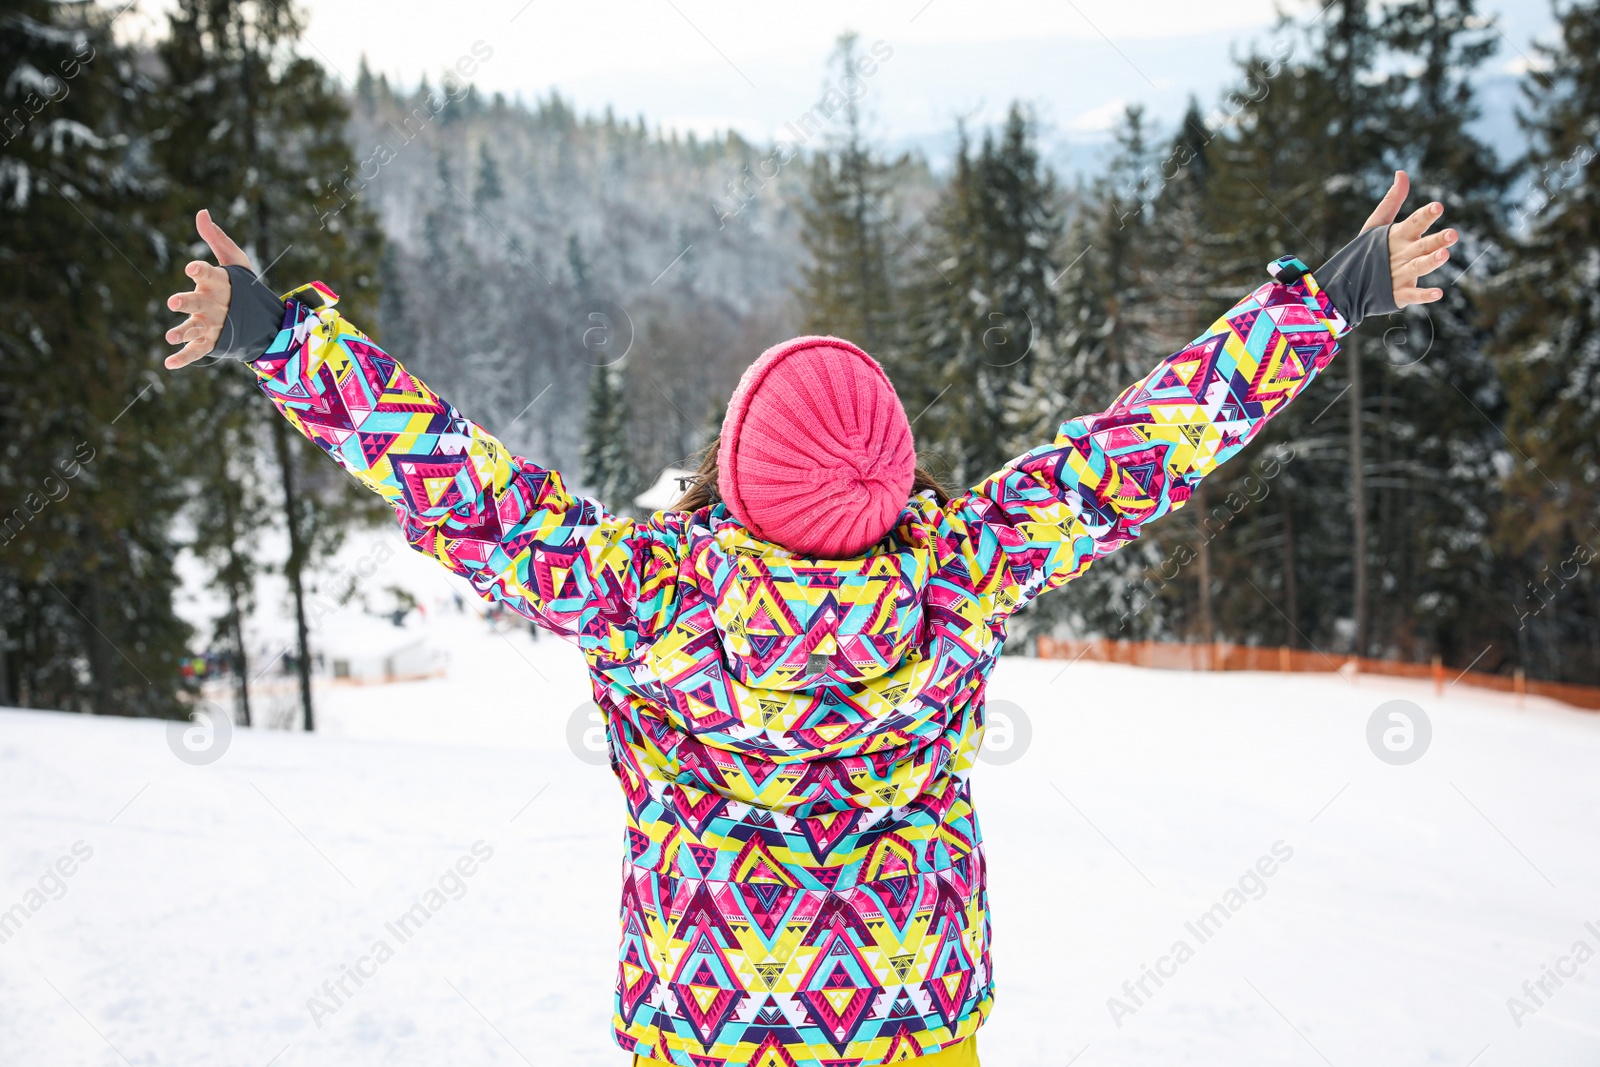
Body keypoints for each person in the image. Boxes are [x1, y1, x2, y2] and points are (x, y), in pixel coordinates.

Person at [163, 172, 1454, 1066]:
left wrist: (281, 337)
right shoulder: (965, 569)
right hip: (913, 1018)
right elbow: (1145, 444)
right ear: (895, 475)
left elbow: (456, 477)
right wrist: (1325, 299)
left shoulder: (644, 591)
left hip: (703, 1020)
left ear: (735, 470)